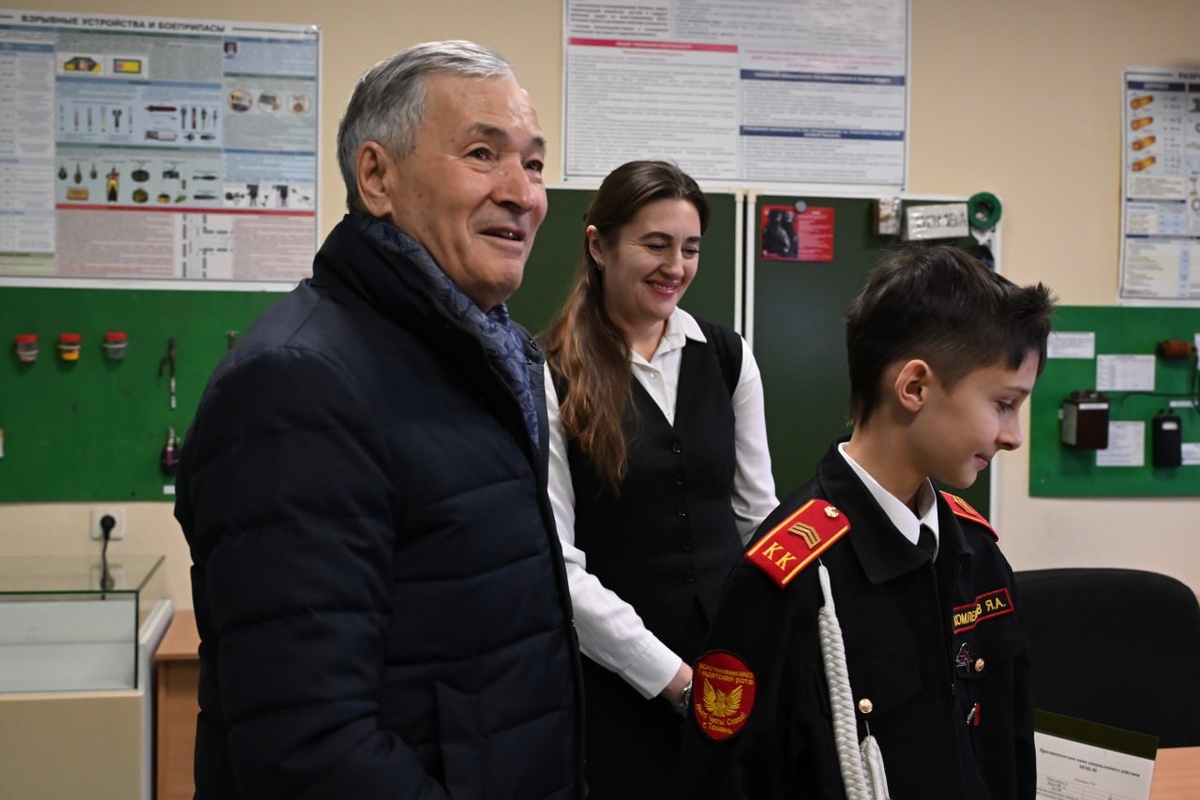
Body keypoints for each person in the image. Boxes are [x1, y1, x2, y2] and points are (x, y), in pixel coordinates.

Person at [174, 41, 585, 800]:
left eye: (532, 163)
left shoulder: (488, 361)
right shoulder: (298, 387)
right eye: (482, 154)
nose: (523, 194)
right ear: (376, 177)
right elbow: (308, 752)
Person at [676, 244, 1056, 799]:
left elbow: (1010, 752)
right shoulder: (787, 581)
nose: (1013, 436)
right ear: (915, 387)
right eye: (1003, 404)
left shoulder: (977, 554)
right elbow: (726, 781)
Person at [539, 160, 778, 797]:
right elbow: (556, 564)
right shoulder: (550, 374)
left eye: (690, 248)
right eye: (656, 244)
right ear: (599, 246)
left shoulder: (727, 357)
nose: (676, 266)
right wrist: (675, 682)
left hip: (733, 665)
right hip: (617, 680)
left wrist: (778, 639)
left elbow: (759, 519)